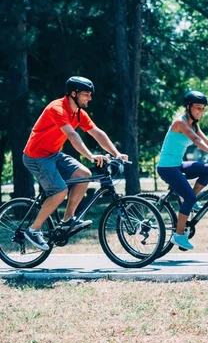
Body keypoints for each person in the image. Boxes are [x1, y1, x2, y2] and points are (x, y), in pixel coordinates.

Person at [22, 76, 128, 250]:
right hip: (36, 156)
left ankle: (67, 221)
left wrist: (116, 153)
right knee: (59, 190)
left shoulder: (78, 114)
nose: (90, 98)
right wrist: (91, 156)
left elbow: (97, 133)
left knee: (84, 174)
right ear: (73, 93)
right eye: (86, 94)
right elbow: (72, 136)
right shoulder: (57, 109)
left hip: (53, 154)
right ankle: (33, 230)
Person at [157, 91, 208, 250]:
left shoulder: (194, 124)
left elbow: (204, 139)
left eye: (202, 109)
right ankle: (179, 235)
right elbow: (196, 140)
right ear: (188, 107)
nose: (200, 112)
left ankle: (192, 200)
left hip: (177, 165)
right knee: (188, 198)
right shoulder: (180, 123)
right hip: (167, 168)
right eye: (197, 108)